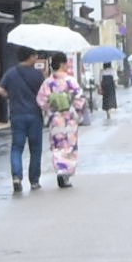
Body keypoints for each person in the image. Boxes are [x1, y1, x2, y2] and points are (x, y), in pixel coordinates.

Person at [1, 51, 47, 192]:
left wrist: (11, 96)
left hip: (17, 115)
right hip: (34, 115)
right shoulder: (37, 74)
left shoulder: (11, 73)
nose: (37, 58)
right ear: (30, 56)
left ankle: (16, 176)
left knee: (17, 147)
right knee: (35, 149)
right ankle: (34, 181)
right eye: (35, 55)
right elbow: (44, 93)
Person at [44, 51, 89, 188]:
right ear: (63, 64)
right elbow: (80, 98)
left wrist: (50, 109)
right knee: (69, 146)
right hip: (69, 118)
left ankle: (60, 169)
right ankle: (66, 173)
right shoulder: (70, 81)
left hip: (55, 118)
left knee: (58, 146)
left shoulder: (48, 82)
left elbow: (41, 100)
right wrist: (77, 111)